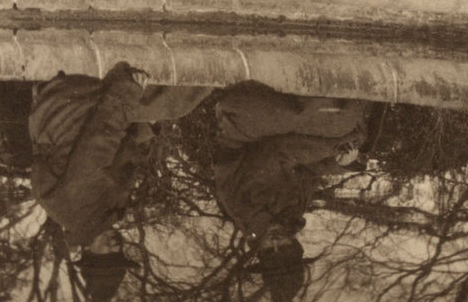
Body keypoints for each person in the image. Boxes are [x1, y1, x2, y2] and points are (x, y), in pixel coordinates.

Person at [29, 62, 211, 301]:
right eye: (119, 254)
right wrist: (146, 127)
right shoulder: (103, 214)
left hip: (66, 109)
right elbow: (122, 155)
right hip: (74, 116)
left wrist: (126, 89)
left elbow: (98, 142)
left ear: (87, 251)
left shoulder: (78, 211)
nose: (116, 246)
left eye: (107, 254)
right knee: (165, 103)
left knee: (175, 102)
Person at [211, 81, 370, 301]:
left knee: (326, 118)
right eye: (284, 247)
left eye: (269, 250)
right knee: (348, 126)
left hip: (244, 126)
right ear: (295, 246)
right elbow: (308, 171)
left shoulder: (245, 207)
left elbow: (277, 153)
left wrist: (332, 147)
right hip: (280, 132)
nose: (276, 241)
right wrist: (341, 163)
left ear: (259, 249)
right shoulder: (291, 214)